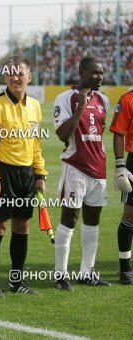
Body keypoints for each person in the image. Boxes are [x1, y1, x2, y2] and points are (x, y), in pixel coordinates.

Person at [0, 55, 47, 297]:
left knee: (22, 227)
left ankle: (16, 281)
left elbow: (36, 144)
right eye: (10, 72)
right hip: (4, 173)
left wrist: (40, 174)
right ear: (4, 77)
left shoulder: (35, 106)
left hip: (27, 174)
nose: (15, 77)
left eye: (20, 73)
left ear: (29, 77)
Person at [53, 57, 111, 290]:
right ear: (82, 72)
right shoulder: (64, 98)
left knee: (92, 222)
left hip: (98, 170)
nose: (100, 77)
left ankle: (87, 273)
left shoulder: (103, 100)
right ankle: (60, 275)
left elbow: (98, 134)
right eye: (95, 72)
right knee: (69, 219)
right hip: (75, 167)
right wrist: (80, 106)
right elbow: (62, 134)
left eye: (102, 73)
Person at [109, 89, 133, 285]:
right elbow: (119, 133)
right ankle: (125, 269)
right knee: (129, 215)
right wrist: (120, 165)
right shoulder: (128, 99)